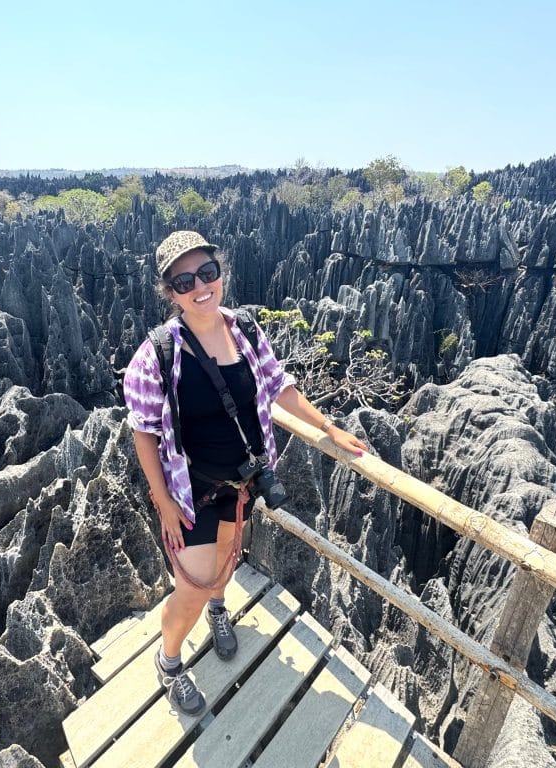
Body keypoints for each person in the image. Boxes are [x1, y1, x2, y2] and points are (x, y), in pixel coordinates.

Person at [123, 230, 368, 715]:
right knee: (190, 591)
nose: (200, 287)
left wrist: (329, 428)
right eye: (184, 280)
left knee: (225, 566)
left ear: (221, 271)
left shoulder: (247, 331)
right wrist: (163, 502)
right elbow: (144, 432)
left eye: (207, 272)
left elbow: (281, 388)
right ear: (170, 292)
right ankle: (168, 662)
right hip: (191, 494)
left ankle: (220, 609)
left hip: (243, 483)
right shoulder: (157, 356)